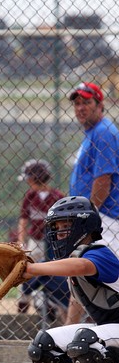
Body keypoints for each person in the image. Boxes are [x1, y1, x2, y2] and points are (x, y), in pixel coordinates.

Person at [24, 195, 119, 363]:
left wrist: (33, 269)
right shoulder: (75, 257)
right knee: (43, 345)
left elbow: (82, 266)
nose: (59, 233)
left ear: (85, 226)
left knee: (84, 342)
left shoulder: (100, 252)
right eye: (56, 228)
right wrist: (66, 339)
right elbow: (76, 300)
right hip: (112, 330)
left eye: (65, 226)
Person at [69, 81, 119, 257]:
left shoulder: (103, 132)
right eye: (77, 103)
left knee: (101, 268)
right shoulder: (93, 132)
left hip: (104, 219)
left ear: (100, 105)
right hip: (97, 218)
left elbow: (103, 180)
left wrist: (89, 216)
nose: (80, 108)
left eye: (87, 102)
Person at [16, 160, 64, 313]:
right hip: (35, 240)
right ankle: (24, 300)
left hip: (53, 243)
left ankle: (49, 302)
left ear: (35, 178)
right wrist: (21, 241)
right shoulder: (30, 196)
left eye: (29, 178)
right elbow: (23, 220)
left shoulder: (57, 196)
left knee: (51, 271)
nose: (28, 182)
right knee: (26, 268)